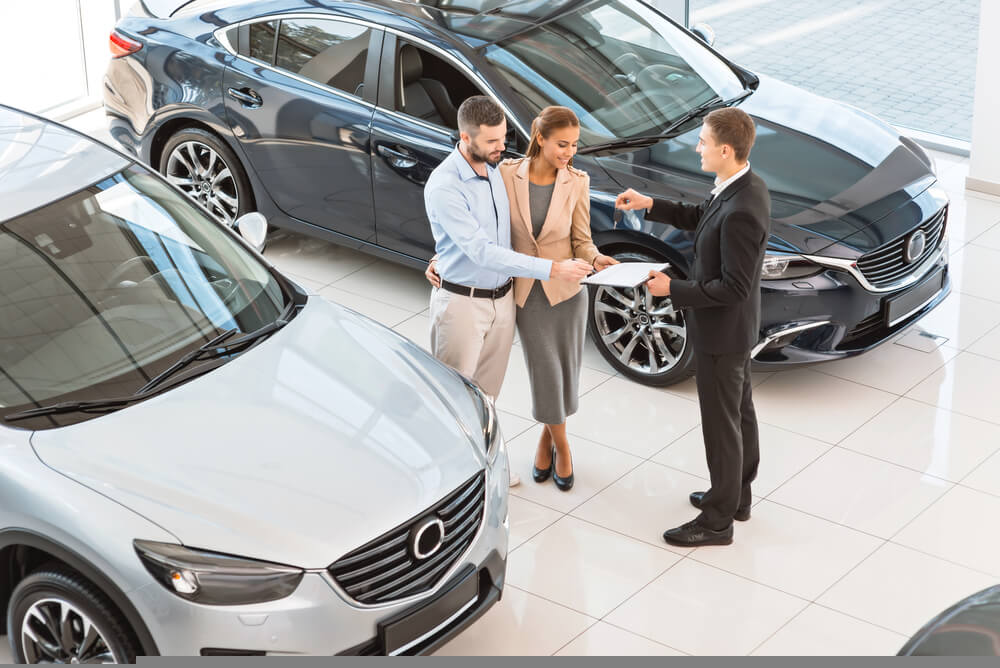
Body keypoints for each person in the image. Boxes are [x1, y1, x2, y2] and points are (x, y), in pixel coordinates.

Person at [615, 107, 770, 547]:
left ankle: (717, 521)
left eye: (703, 142)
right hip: (734, 330)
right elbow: (703, 215)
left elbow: (734, 287)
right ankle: (736, 497)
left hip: (722, 333)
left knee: (722, 427)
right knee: (739, 414)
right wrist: (650, 204)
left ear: (726, 150)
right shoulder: (744, 185)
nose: (697, 147)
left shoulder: (741, 211)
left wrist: (673, 289)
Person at [423, 96, 593, 487]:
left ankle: (485, 466)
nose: (502, 146)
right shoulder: (446, 185)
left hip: (503, 299)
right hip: (463, 303)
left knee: (487, 395)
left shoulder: (495, 170)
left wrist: (438, 256)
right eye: (493, 141)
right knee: (455, 396)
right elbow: (480, 249)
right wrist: (552, 268)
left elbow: (505, 235)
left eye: (503, 138)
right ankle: (451, 480)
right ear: (466, 137)